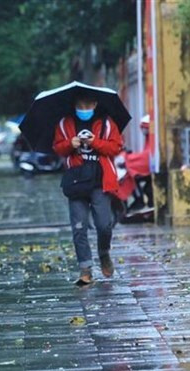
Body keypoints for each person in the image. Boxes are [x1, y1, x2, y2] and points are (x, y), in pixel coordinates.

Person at [52, 91, 123, 286]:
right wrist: (69, 144)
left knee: (103, 225)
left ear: (95, 104)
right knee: (79, 227)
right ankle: (85, 269)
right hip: (76, 182)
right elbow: (57, 148)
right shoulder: (64, 123)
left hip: (101, 181)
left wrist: (94, 142)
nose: (84, 110)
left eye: (88, 106)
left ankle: (104, 253)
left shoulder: (106, 123)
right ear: (74, 105)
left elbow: (116, 147)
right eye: (80, 106)